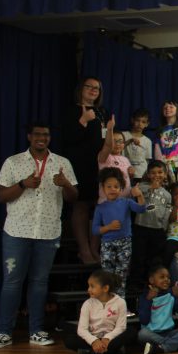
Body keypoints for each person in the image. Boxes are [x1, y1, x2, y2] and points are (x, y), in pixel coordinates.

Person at [0, 121, 78, 348]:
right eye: (38, 134)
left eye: (46, 135)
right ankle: (4, 331)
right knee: (12, 282)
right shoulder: (13, 162)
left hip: (48, 232)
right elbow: (1, 196)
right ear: (29, 137)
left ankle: (37, 331)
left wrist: (65, 184)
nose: (42, 138)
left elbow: (74, 198)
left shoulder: (62, 163)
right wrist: (23, 184)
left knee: (39, 282)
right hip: (16, 231)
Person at [62, 77, 107, 265]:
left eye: (97, 88)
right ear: (81, 89)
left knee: (98, 207)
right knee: (81, 205)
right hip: (78, 163)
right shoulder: (72, 110)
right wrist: (83, 120)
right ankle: (84, 250)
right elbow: (68, 138)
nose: (93, 90)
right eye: (89, 86)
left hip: (98, 164)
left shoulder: (100, 112)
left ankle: (94, 249)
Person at [91, 166, 149, 286]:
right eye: (109, 187)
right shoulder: (100, 207)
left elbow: (142, 209)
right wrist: (108, 227)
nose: (112, 189)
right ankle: (108, 300)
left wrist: (139, 195)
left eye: (116, 186)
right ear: (103, 188)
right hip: (107, 244)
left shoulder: (126, 202)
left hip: (125, 242)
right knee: (107, 275)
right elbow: (95, 230)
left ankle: (120, 300)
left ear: (121, 188)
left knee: (121, 274)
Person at [63, 269, 132, 354]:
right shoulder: (87, 304)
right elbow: (82, 329)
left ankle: (90, 353)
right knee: (69, 339)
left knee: (131, 332)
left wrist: (107, 338)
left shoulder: (120, 302)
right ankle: (113, 351)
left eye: (92, 286)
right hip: (92, 338)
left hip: (111, 339)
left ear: (105, 288)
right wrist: (93, 341)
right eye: (89, 286)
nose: (88, 289)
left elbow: (121, 327)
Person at [139, 265, 178, 354]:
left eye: (168, 277)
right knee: (142, 334)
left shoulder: (171, 294)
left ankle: (163, 347)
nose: (166, 279)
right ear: (151, 280)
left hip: (169, 333)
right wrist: (148, 300)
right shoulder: (145, 296)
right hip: (151, 334)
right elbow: (144, 320)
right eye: (162, 277)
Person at [130, 160, 170, 293]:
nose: (156, 175)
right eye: (153, 173)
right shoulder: (142, 186)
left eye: (160, 172)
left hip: (157, 231)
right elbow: (138, 199)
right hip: (141, 227)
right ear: (148, 174)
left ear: (165, 174)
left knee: (154, 258)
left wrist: (163, 228)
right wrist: (151, 188)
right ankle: (136, 283)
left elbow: (167, 212)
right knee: (139, 256)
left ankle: (151, 282)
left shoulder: (167, 194)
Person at [96, 116, 132, 202]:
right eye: (114, 141)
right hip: (107, 202)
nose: (117, 144)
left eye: (120, 141)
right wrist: (110, 130)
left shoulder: (125, 159)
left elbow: (127, 178)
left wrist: (131, 172)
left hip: (124, 201)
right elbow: (108, 146)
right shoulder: (104, 157)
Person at [123, 108, 153, 179]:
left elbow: (147, 160)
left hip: (141, 174)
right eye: (137, 120)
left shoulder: (148, 141)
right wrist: (130, 141)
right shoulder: (123, 135)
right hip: (125, 172)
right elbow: (116, 149)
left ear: (147, 124)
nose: (140, 124)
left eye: (143, 122)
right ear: (132, 120)